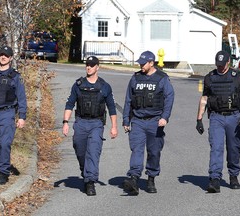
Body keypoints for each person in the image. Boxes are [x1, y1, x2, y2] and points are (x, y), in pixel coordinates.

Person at [196, 50, 240, 193]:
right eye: (217, 64)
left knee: (234, 148)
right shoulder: (209, 77)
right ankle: (214, 179)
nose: (220, 67)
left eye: (222, 64)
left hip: (234, 116)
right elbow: (204, 99)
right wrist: (199, 119)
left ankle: (233, 176)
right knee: (216, 147)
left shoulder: (237, 76)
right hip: (216, 117)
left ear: (228, 62)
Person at [62, 56, 118, 196]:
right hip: (81, 122)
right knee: (79, 149)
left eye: (92, 65)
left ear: (97, 67)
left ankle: (90, 182)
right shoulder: (78, 85)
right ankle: (85, 170)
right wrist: (65, 122)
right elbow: (70, 104)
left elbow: (111, 108)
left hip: (96, 123)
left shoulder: (105, 86)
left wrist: (114, 127)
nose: (89, 67)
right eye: (87, 65)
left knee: (93, 151)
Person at [122, 50, 174, 195]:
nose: (141, 65)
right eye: (140, 63)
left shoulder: (162, 78)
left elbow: (169, 98)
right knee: (136, 150)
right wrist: (126, 120)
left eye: (143, 63)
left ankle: (151, 178)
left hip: (155, 121)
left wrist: (165, 117)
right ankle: (134, 178)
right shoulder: (135, 78)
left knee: (154, 152)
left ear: (152, 63)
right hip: (138, 121)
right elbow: (128, 100)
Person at [0, 45, 27, 185]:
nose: (3, 57)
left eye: (6, 55)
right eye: (1, 54)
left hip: (7, 113)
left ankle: (3, 172)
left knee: (4, 143)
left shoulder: (15, 76)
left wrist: (22, 117)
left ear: (10, 58)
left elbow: (21, 97)